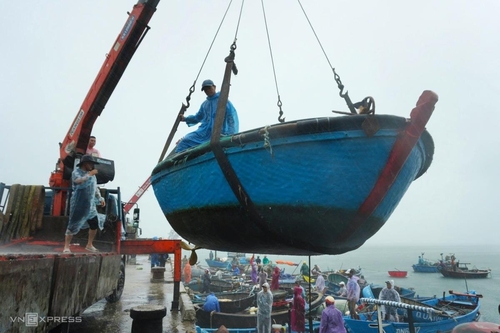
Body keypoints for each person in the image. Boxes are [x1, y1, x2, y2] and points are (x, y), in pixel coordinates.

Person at [175, 79, 239, 153]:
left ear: (214, 87)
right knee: (185, 141)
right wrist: (185, 119)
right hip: (204, 133)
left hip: (220, 132)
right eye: (205, 89)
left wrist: (230, 135)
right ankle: (182, 162)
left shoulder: (223, 100)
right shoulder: (204, 104)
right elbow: (197, 117)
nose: (207, 91)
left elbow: (231, 118)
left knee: (217, 145)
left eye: (209, 88)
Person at [63, 155, 105, 253]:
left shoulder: (92, 175)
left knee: (94, 223)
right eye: (91, 164)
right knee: (73, 224)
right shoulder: (76, 172)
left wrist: (100, 198)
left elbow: (95, 188)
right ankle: (66, 246)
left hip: (90, 204)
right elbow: (78, 181)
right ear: (85, 163)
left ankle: (89, 244)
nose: (92, 166)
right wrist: (89, 175)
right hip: (79, 203)